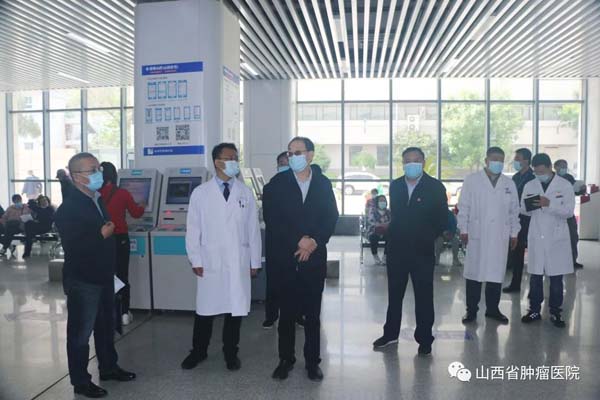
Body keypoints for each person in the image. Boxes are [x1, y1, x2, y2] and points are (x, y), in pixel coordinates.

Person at [55, 153, 135, 399]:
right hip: (83, 279)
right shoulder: (69, 207)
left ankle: (109, 367)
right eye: (92, 170)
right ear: (77, 177)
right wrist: (101, 234)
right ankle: (81, 381)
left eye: (98, 168)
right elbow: (73, 246)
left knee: (105, 326)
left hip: (104, 275)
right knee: (80, 334)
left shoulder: (97, 199)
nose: (98, 173)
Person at [181, 143, 262, 372]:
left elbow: (253, 230)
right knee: (205, 310)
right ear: (217, 162)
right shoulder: (201, 193)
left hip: (238, 260)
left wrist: (254, 261)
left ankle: (231, 353)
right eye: (230, 158)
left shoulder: (245, 192)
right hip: (210, 261)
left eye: (236, 157)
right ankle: (198, 351)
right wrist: (195, 259)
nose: (234, 161)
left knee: (234, 310)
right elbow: (193, 229)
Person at [263, 137, 338, 381]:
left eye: (298, 152)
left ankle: (312, 362)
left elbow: (331, 216)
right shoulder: (277, 184)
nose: (293, 156)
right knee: (286, 314)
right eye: (290, 152)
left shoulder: (323, 184)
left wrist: (314, 240)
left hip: (314, 256)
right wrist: (299, 240)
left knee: (313, 315)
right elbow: (273, 219)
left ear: (310, 155)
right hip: (286, 257)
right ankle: (285, 359)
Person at [372, 147, 447, 356]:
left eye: (416, 160)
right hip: (397, 249)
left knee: (424, 296)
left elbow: (442, 218)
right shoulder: (395, 185)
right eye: (407, 161)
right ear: (403, 163)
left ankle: (425, 339)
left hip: (422, 251)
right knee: (394, 295)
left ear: (423, 162)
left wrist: (428, 235)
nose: (412, 164)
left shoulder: (435, 187)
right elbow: (396, 215)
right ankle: (390, 334)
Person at [458, 147, 520, 325]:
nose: (497, 163)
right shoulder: (472, 180)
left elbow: (514, 211)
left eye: (501, 159)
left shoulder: (509, 184)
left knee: (496, 274)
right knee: (474, 274)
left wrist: (514, 233)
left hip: (500, 235)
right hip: (477, 233)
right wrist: (463, 229)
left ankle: (493, 310)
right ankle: (471, 310)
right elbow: (464, 207)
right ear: (486, 161)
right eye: (494, 159)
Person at [521, 154, 575, 328]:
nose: (539, 175)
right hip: (537, 236)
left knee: (556, 278)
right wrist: (532, 205)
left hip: (556, 237)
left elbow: (568, 211)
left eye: (542, 172)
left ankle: (555, 312)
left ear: (550, 167)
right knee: (535, 277)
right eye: (536, 172)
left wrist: (549, 204)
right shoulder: (530, 185)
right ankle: (534, 310)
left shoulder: (564, 185)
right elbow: (523, 209)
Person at [99, 162, 146, 326]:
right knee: (122, 275)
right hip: (120, 238)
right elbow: (136, 213)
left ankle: (108, 311)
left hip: (102, 239)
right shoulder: (122, 193)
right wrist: (142, 205)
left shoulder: (95, 195)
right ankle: (124, 312)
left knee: (106, 275)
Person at [263, 151, 305, 329]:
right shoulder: (270, 187)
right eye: (281, 163)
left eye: (287, 162)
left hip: (297, 244)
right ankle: (271, 315)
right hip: (277, 243)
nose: (284, 166)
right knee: (274, 280)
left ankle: (298, 315)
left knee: (297, 281)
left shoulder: (302, 187)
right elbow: (270, 218)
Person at [503, 148, 536, 293]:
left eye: (518, 158)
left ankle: (534, 288)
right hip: (516, 218)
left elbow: (533, 202)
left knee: (533, 252)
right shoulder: (516, 177)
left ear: (526, 161)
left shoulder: (533, 178)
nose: (515, 161)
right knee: (517, 251)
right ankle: (515, 283)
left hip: (530, 219)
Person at [554, 159, 584, 269]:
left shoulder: (569, 178)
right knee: (556, 239)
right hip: (555, 213)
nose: (564, 169)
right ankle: (556, 260)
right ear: (555, 167)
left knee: (573, 236)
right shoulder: (552, 179)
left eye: (565, 166)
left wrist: (581, 189)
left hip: (568, 213)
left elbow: (576, 191)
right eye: (561, 166)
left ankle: (572, 261)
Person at [367, 194, 391, 265]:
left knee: (390, 237)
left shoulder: (388, 211)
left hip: (386, 231)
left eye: (384, 200)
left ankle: (385, 256)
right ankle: (375, 256)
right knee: (373, 237)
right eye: (381, 201)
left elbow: (391, 221)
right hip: (374, 230)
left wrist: (386, 224)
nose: (382, 202)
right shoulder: (372, 211)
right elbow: (371, 221)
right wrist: (379, 224)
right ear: (377, 202)